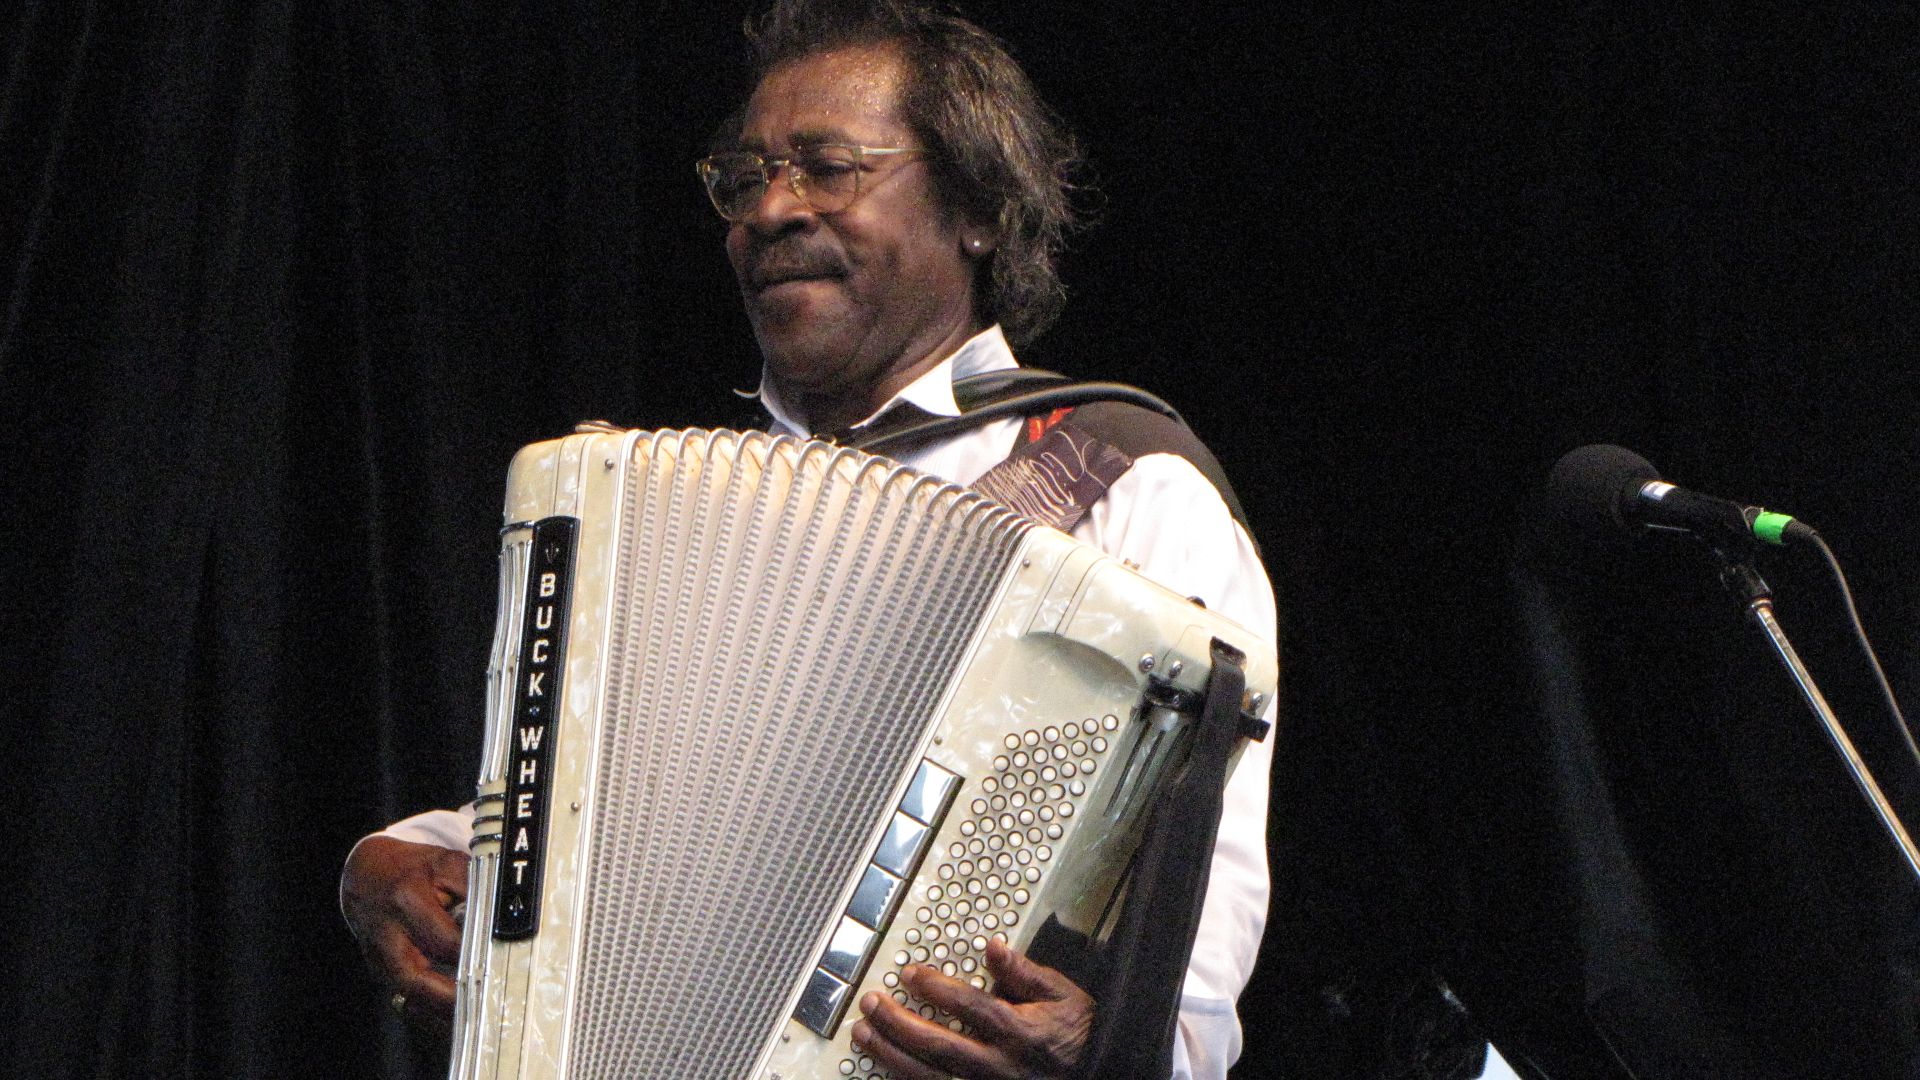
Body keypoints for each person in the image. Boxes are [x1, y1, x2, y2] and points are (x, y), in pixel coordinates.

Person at [340, 3, 1277, 1077]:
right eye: (745, 180)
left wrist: (1099, 1045)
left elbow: (1192, 990)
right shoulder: (669, 511)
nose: (771, 210)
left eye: (828, 167)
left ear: (976, 207)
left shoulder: (1126, 490)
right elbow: (585, 833)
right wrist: (390, 865)